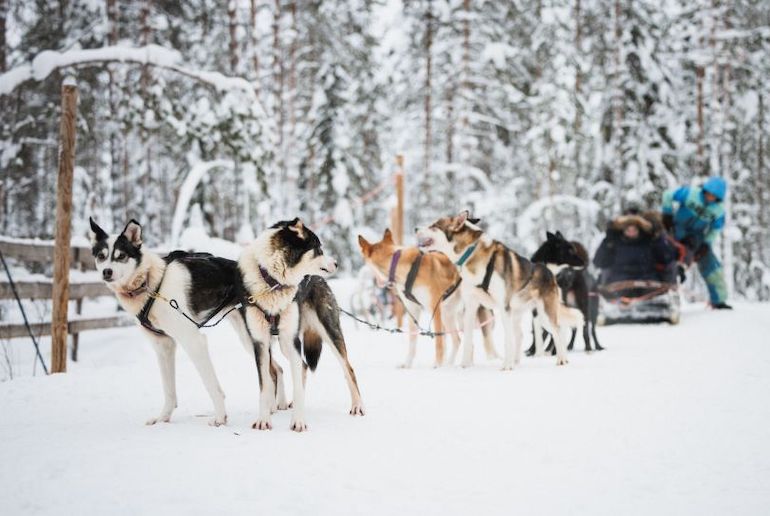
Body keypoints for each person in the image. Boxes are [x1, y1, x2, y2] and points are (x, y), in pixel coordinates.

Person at [661, 176, 732, 309]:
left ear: (718, 198)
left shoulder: (718, 211)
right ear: (704, 190)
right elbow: (667, 195)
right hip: (674, 232)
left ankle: (718, 300)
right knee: (662, 259)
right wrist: (667, 214)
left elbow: (715, 229)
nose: (710, 197)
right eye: (708, 193)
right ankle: (656, 293)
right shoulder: (690, 194)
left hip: (695, 239)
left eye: (714, 196)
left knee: (712, 266)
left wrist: (706, 244)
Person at [593, 212, 677, 285]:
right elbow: (598, 261)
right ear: (623, 230)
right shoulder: (614, 242)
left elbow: (668, 257)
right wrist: (606, 242)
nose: (631, 232)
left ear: (639, 229)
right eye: (628, 230)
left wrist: (657, 238)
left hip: (648, 281)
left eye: (634, 229)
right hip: (619, 282)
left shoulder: (649, 241)